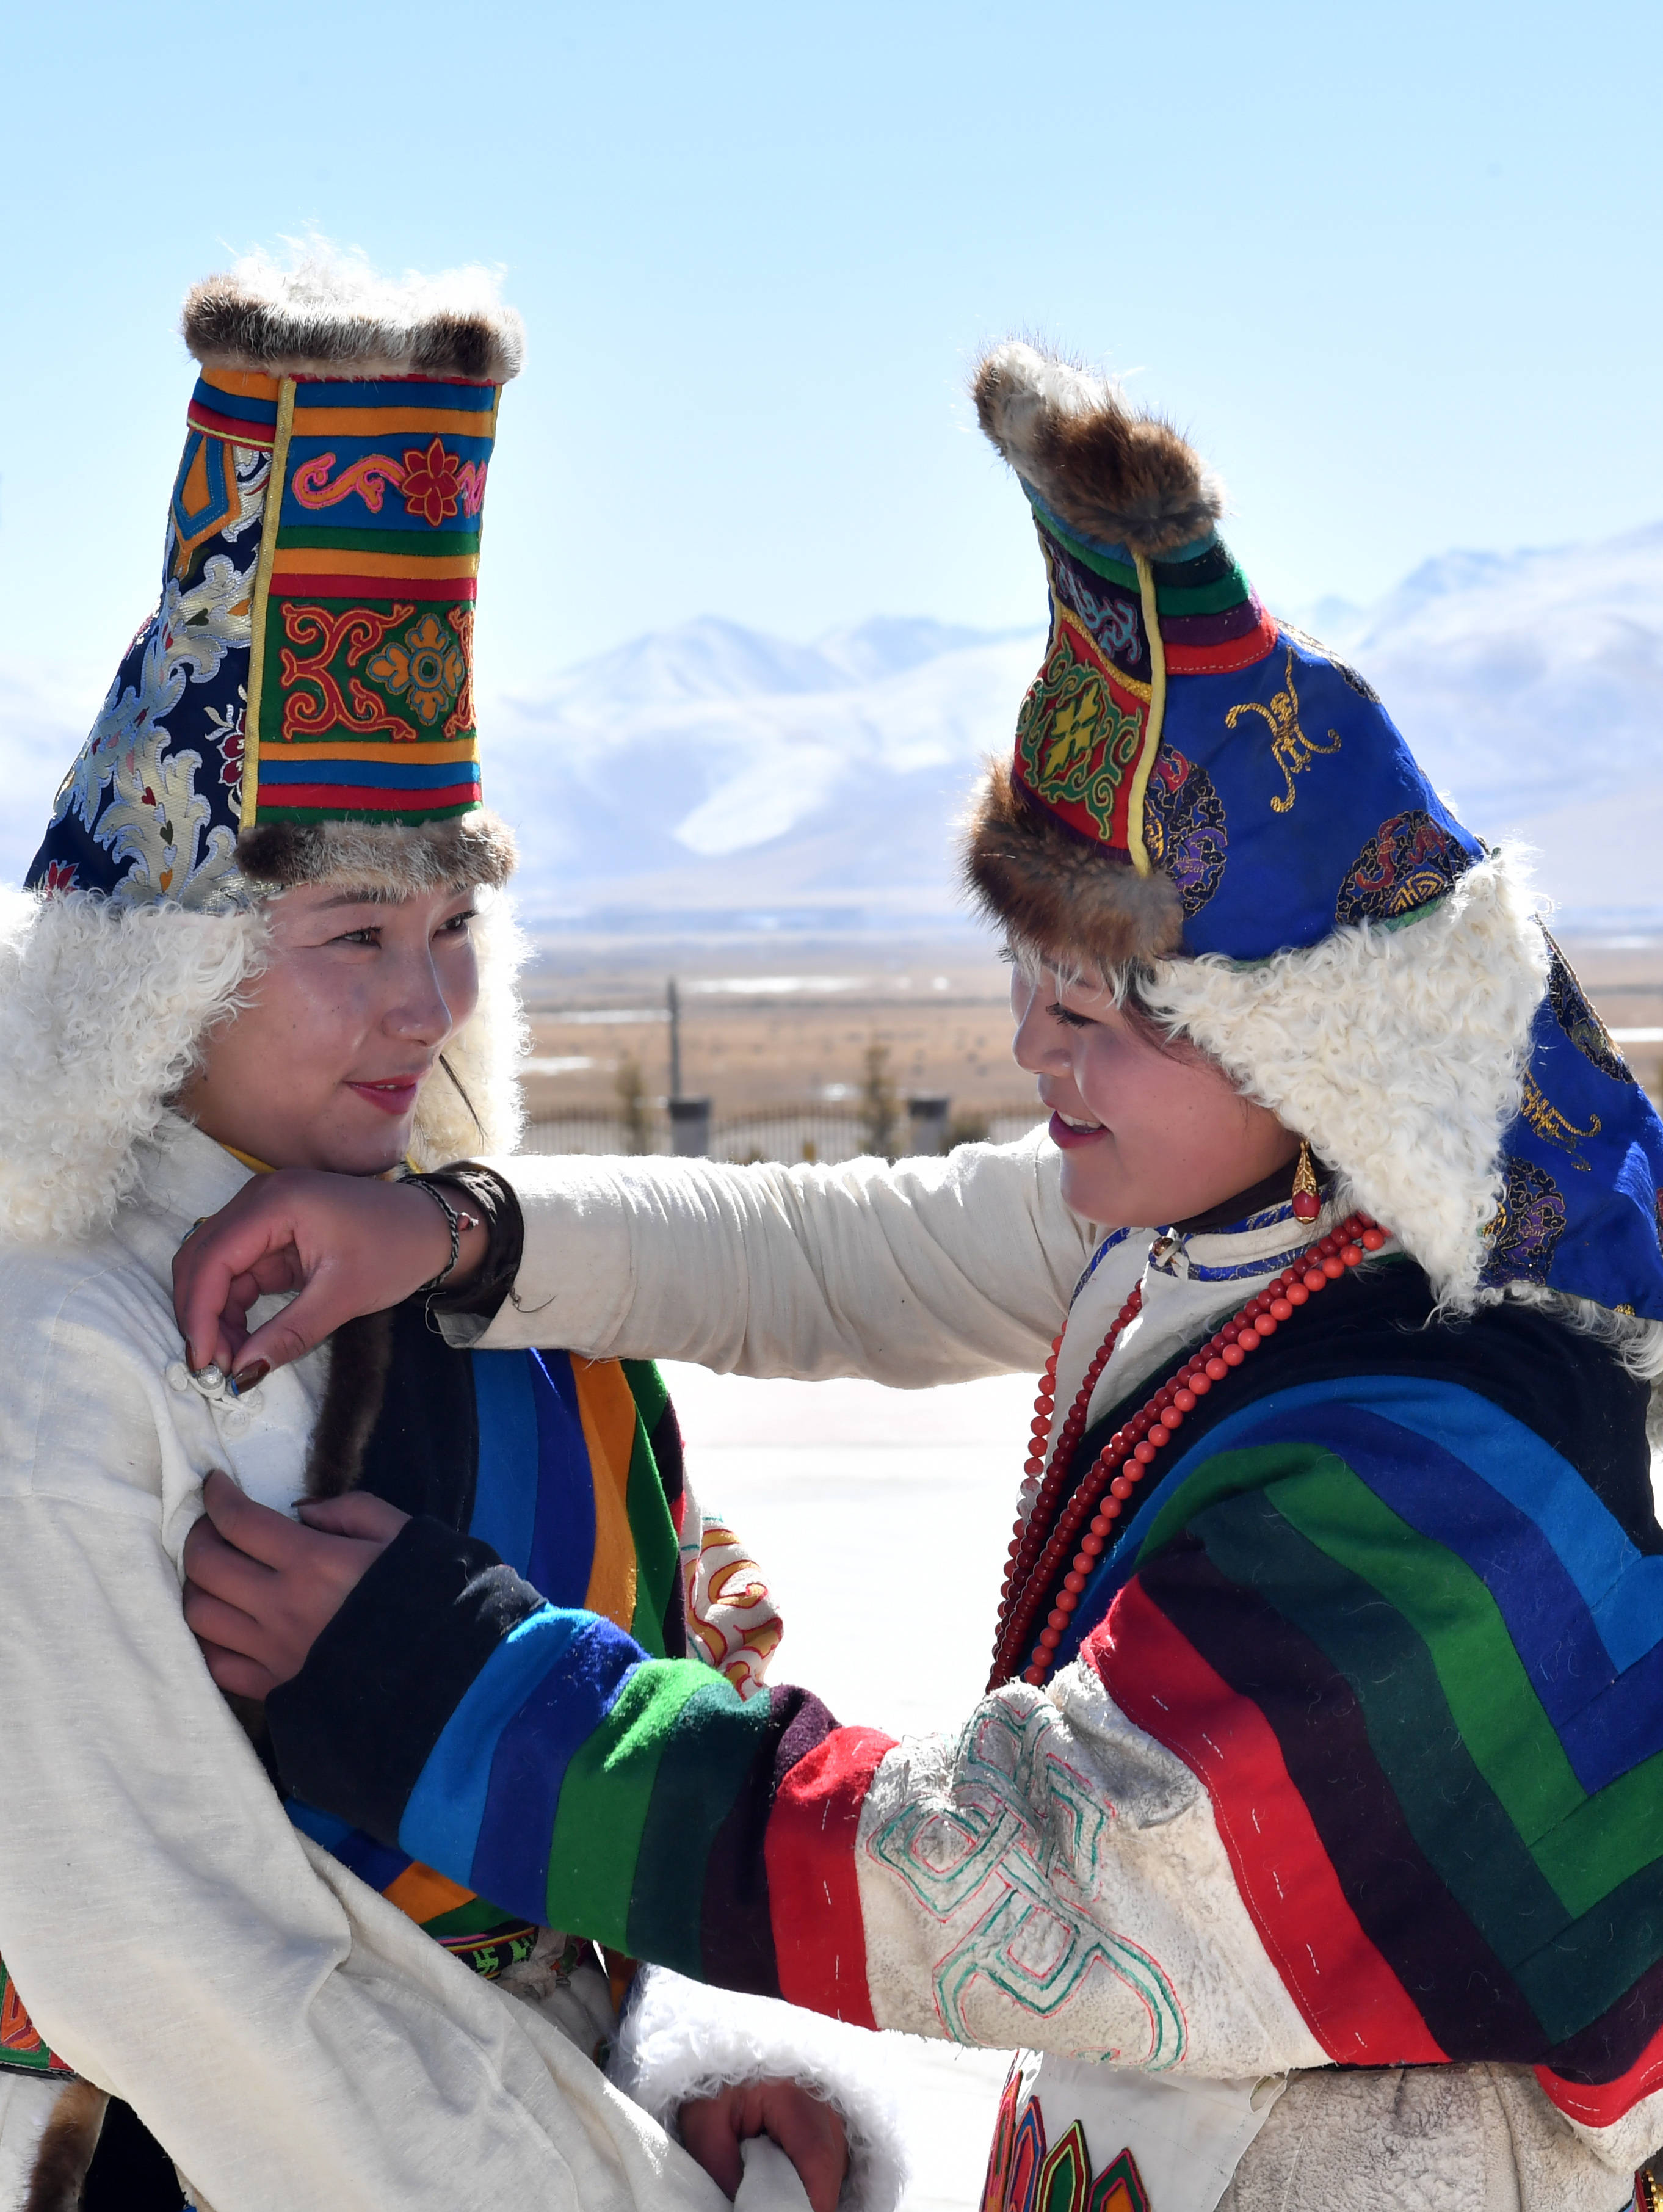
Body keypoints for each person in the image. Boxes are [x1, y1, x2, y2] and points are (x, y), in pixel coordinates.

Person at [175, 343, 1663, 2212]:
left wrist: (452, 1684)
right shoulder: (1226, 1235)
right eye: (1022, 992)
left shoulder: (1433, 1463)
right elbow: (833, 1254)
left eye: (1103, 1016)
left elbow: (1016, 1880)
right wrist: (458, 1234)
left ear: (1313, 1050)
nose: (1038, 1058)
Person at [0, 253, 901, 2212]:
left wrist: (697, 2074)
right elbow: (168, 1959)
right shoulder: (66, 1351)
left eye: (449, 932)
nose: (428, 1006)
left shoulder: (485, 1289)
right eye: (353, 941)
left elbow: (589, 1825)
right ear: (162, 974)